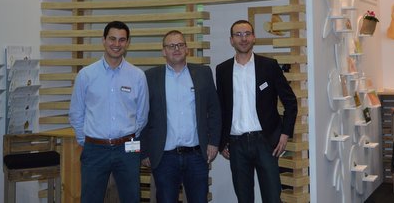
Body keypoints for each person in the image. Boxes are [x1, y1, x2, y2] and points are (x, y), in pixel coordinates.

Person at [216, 20, 298, 203]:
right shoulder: (222, 70)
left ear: (254, 37)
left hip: (266, 142)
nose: (243, 38)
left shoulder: (269, 66)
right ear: (231, 40)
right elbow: (220, 107)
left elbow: (290, 102)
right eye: (238, 35)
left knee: (272, 198)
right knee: (244, 199)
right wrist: (222, 142)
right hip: (236, 144)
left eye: (247, 34)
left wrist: (285, 134)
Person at [69, 21, 149, 203]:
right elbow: (76, 113)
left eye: (122, 40)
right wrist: (86, 141)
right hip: (94, 149)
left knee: (131, 198)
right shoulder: (86, 75)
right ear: (103, 40)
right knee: (90, 199)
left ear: (127, 43)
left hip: (127, 149)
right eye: (112, 39)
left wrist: (129, 136)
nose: (116, 44)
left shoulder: (137, 76)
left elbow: (142, 115)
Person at [141, 30, 221, 203]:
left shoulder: (203, 73)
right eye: (171, 46)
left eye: (180, 45)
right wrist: (144, 151)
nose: (176, 49)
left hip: (196, 156)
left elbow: (214, 109)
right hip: (164, 157)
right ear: (163, 51)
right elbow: (142, 116)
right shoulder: (149, 77)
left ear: (187, 49)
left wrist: (214, 142)